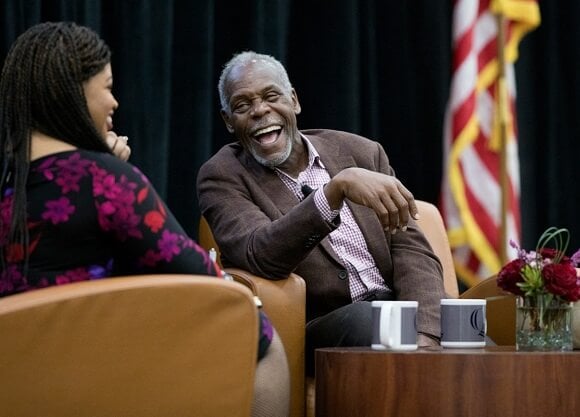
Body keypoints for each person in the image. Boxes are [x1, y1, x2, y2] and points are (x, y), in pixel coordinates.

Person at [0, 24, 288, 417]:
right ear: (74, 93)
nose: (115, 102)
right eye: (107, 86)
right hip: (100, 378)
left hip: (18, 383)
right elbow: (201, 276)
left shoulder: (11, 184)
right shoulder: (106, 182)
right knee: (261, 337)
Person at [197, 51, 447, 376]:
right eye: (243, 106)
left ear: (294, 101)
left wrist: (428, 334)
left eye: (271, 97)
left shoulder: (362, 152)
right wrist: (332, 192)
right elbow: (259, 253)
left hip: (396, 314)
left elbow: (411, 249)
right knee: (374, 322)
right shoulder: (222, 176)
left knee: (472, 337)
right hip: (320, 325)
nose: (260, 110)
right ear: (229, 121)